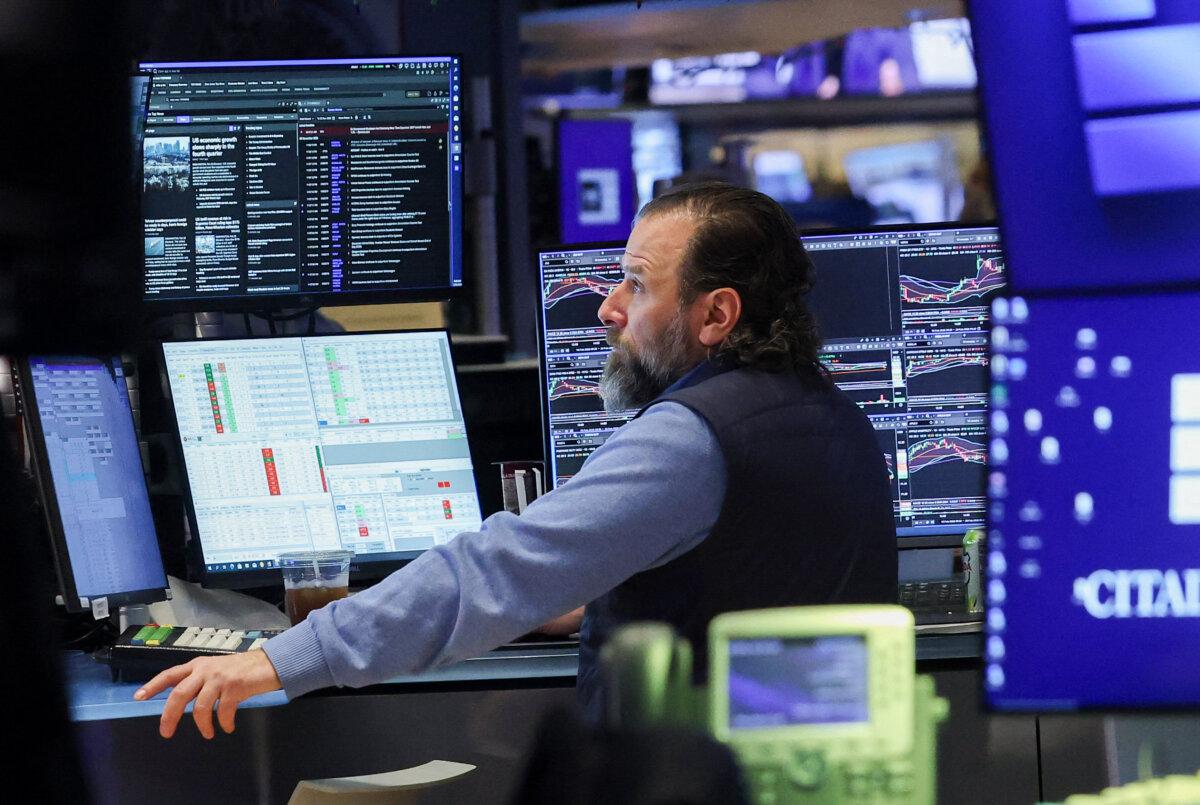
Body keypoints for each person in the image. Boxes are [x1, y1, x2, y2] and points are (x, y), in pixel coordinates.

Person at [136, 182, 896, 738]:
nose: (608, 308)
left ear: (716, 314)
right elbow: (748, 590)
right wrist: (587, 590)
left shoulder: (690, 438)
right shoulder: (837, 419)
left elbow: (490, 570)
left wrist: (277, 660)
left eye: (635, 283)